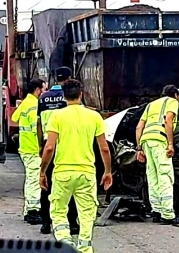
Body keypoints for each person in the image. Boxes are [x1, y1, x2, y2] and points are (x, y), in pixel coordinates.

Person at [39, 79, 112, 252]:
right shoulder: (94, 116)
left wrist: (42, 171)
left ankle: (66, 242)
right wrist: (108, 171)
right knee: (87, 213)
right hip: (86, 173)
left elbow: (49, 147)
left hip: (62, 172)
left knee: (58, 211)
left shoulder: (57, 116)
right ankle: (85, 247)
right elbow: (104, 148)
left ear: (64, 96)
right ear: (81, 94)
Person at [37, 66, 79, 235]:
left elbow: (39, 123)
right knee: (71, 185)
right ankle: (72, 222)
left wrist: (41, 145)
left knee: (46, 184)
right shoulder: (69, 98)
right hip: (65, 144)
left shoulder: (43, 97)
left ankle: (46, 223)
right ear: (69, 78)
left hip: (48, 143)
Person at [135, 84, 179, 226]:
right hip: (159, 140)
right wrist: (170, 144)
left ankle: (156, 211)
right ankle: (167, 215)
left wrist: (139, 148)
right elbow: (168, 120)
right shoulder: (173, 102)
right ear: (175, 95)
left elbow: (139, 127)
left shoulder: (151, 105)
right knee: (165, 175)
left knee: (153, 176)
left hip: (146, 141)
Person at [11, 79, 46, 224]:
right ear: (37, 89)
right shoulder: (35, 104)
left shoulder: (26, 102)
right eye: (44, 89)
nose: (45, 93)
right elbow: (38, 126)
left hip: (25, 147)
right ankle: (32, 210)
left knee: (31, 178)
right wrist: (40, 146)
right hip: (33, 149)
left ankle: (28, 210)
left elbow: (14, 118)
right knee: (34, 180)